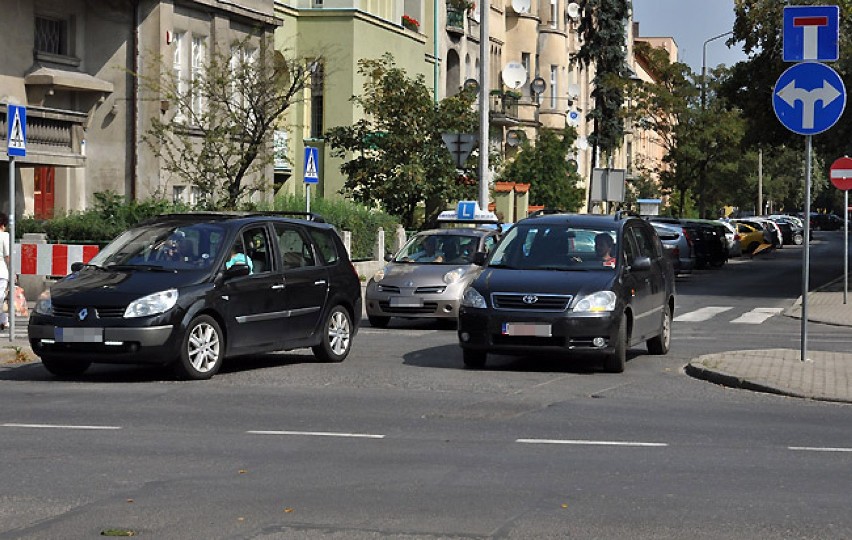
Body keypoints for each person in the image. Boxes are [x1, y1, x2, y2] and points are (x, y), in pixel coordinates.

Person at [0, 213, 9, 330]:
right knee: (2, 297)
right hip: (1, 271)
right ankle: (3, 320)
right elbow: (8, 256)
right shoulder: (5, 236)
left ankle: (4, 320)